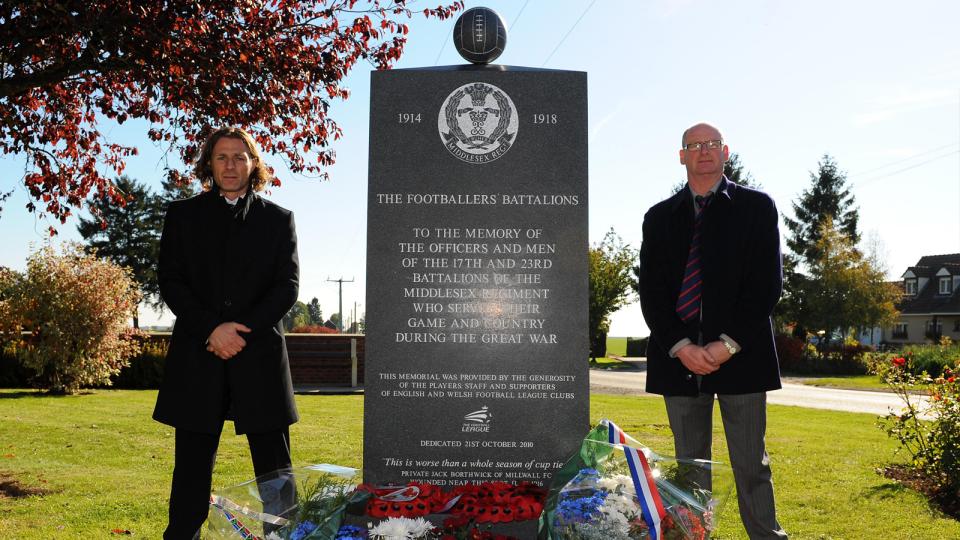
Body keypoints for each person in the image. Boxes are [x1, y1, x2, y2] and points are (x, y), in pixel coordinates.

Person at [638, 122, 787, 538]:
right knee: (689, 467)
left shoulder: (757, 207)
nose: (703, 151)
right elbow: (651, 292)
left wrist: (727, 345)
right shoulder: (658, 217)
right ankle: (693, 535)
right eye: (693, 145)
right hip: (678, 361)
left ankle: (766, 535)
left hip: (743, 357)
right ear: (681, 155)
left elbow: (766, 285)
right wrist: (682, 346)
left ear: (726, 152)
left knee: (750, 463)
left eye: (711, 144)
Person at [153, 126, 300, 539]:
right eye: (221, 157)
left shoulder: (278, 219)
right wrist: (212, 330)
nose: (231, 165)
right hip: (200, 357)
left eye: (240, 157)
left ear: (254, 164)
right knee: (191, 469)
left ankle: (286, 537)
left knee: (275, 470)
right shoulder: (182, 216)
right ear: (209, 165)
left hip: (260, 358)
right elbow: (172, 281)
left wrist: (239, 333)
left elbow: (287, 286)